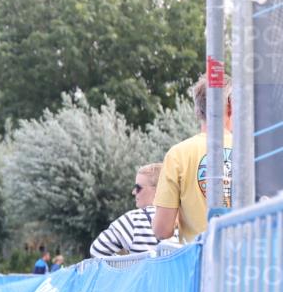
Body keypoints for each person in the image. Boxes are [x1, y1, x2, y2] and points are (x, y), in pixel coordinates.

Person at [153, 75, 233, 243]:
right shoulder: (253, 151)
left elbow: (162, 230)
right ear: (232, 106)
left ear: (198, 111)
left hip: (200, 261)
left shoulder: (178, 154)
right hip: (250, 260)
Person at [90, 163, 164, 257]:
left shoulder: (135, 220)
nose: (133, 192)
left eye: (138, 188)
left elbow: (97, 250)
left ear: (157, 190)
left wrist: (125, 265)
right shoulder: (182, 219)